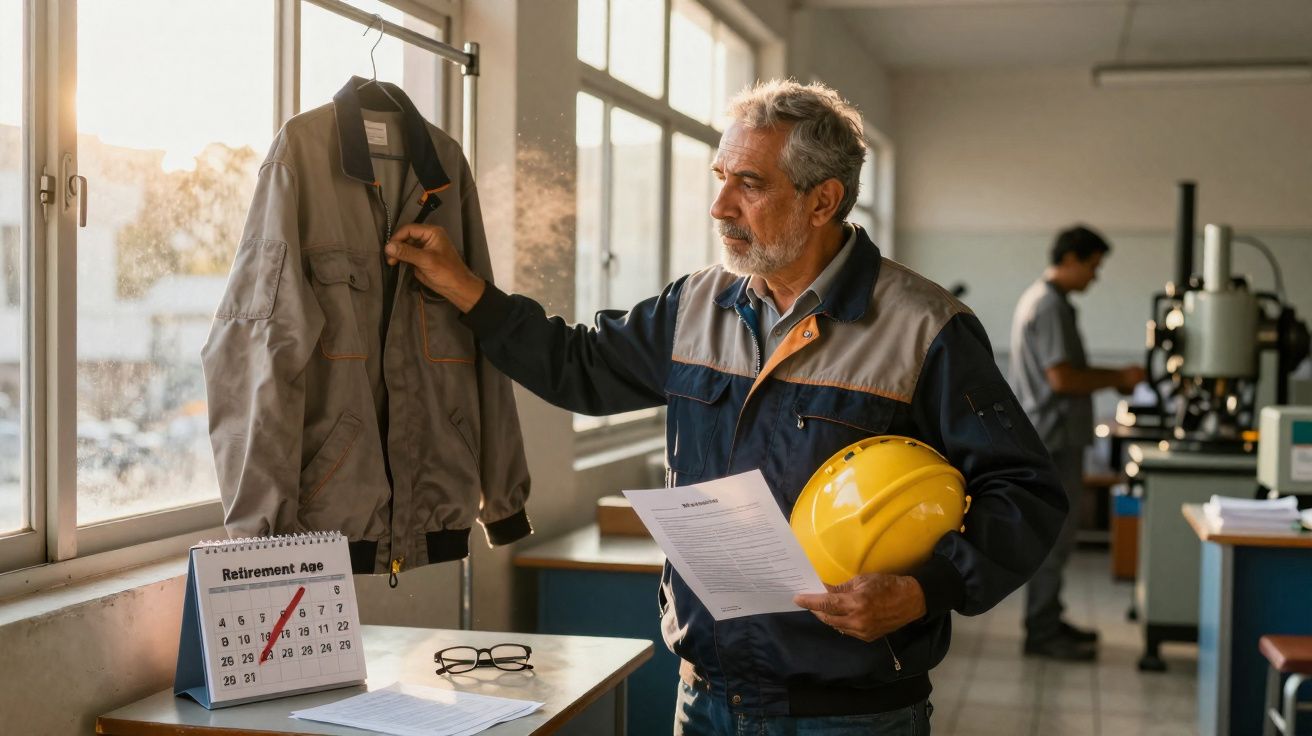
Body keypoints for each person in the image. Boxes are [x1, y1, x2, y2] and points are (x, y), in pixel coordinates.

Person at [386, 79, 1067, 735]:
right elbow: (580, 369)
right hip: (706, 698)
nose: (719, 207)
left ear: (822, 201)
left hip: (849, 712)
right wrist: (467, 288)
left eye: (749, 184)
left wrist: (923, 591)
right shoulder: (694, 306)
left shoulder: (925, 328)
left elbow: (1026, 493)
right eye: (720, 177)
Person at [1008, 225, 1146, 661]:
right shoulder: (1049, 305)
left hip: (1055, 436)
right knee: (1054, 536)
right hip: (1054, 440)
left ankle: (1049, 616)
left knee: (1057, 536)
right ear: (1070, 259)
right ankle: (1042, 630)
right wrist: (1118, 378)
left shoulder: (1047, 301)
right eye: (1092, 266)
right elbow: (1062, 378)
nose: (1094, 276)